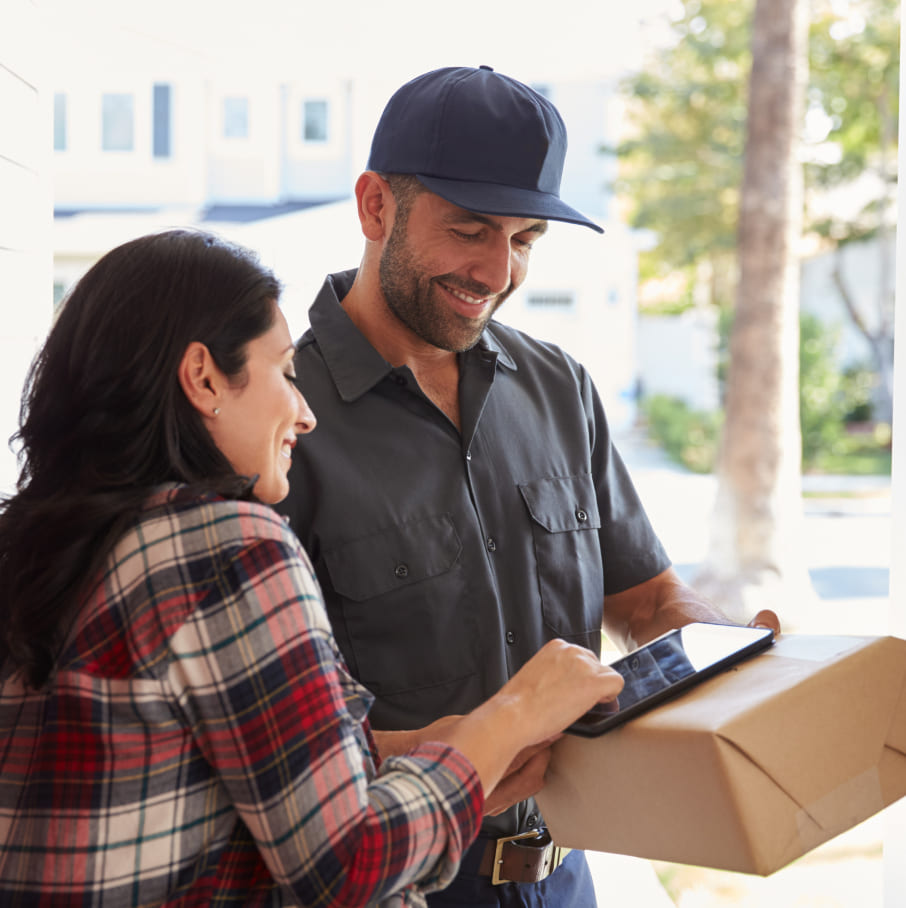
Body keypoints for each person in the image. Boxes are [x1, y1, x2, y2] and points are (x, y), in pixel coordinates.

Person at [276, 65, 781, 907]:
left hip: (564, 876)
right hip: (396, 883)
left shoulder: (559, 388)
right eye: (470, 229)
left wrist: (720, 653)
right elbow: (271, 742)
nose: (496, 270)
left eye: (525, 240)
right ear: (375, 207)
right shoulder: (280, 419)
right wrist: (466, 751)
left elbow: (648, 598)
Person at [0, 228, 626, 907]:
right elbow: (345, 866)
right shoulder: (231, 548)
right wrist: (512, 716)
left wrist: (415, 749)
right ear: (203, 377)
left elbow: (173, 776)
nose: (305, 415)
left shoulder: (31, 546)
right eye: (286, 374)